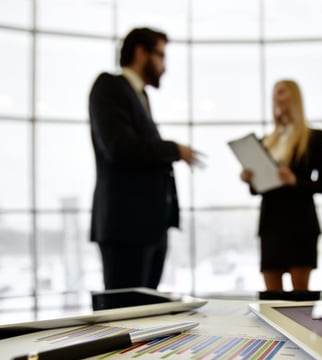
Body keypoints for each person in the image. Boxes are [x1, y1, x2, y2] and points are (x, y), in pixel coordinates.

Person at [89, 27, 203, 290]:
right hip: (126, 225)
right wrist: (174, 149)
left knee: (146, 314)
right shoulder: (110, 86)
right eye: (161, 56)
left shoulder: (140, 95)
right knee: (125, 316)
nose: (164, 67)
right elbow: (120, 147)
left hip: (149, 225)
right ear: (141, 52)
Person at [240, 80, 322, 293]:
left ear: (294, 97)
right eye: (274, 94)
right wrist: (250, 178)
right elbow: (257, 190)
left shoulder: (313, 137)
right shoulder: (266, 141)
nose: (276, 98)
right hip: (271, 223)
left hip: (300, 223)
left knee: (299, 300)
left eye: (281, 92)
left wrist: (295, 180)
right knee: (272, 300)